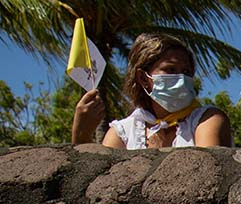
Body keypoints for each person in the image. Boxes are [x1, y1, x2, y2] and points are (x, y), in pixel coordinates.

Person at [70, 32, 232, 149]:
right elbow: (99, 181)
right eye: (170, 70)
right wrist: (81, 136)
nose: (181, 78)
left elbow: (207, 172)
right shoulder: (123, 132)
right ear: (143, 79)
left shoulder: (207, 120)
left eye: (187, 72)